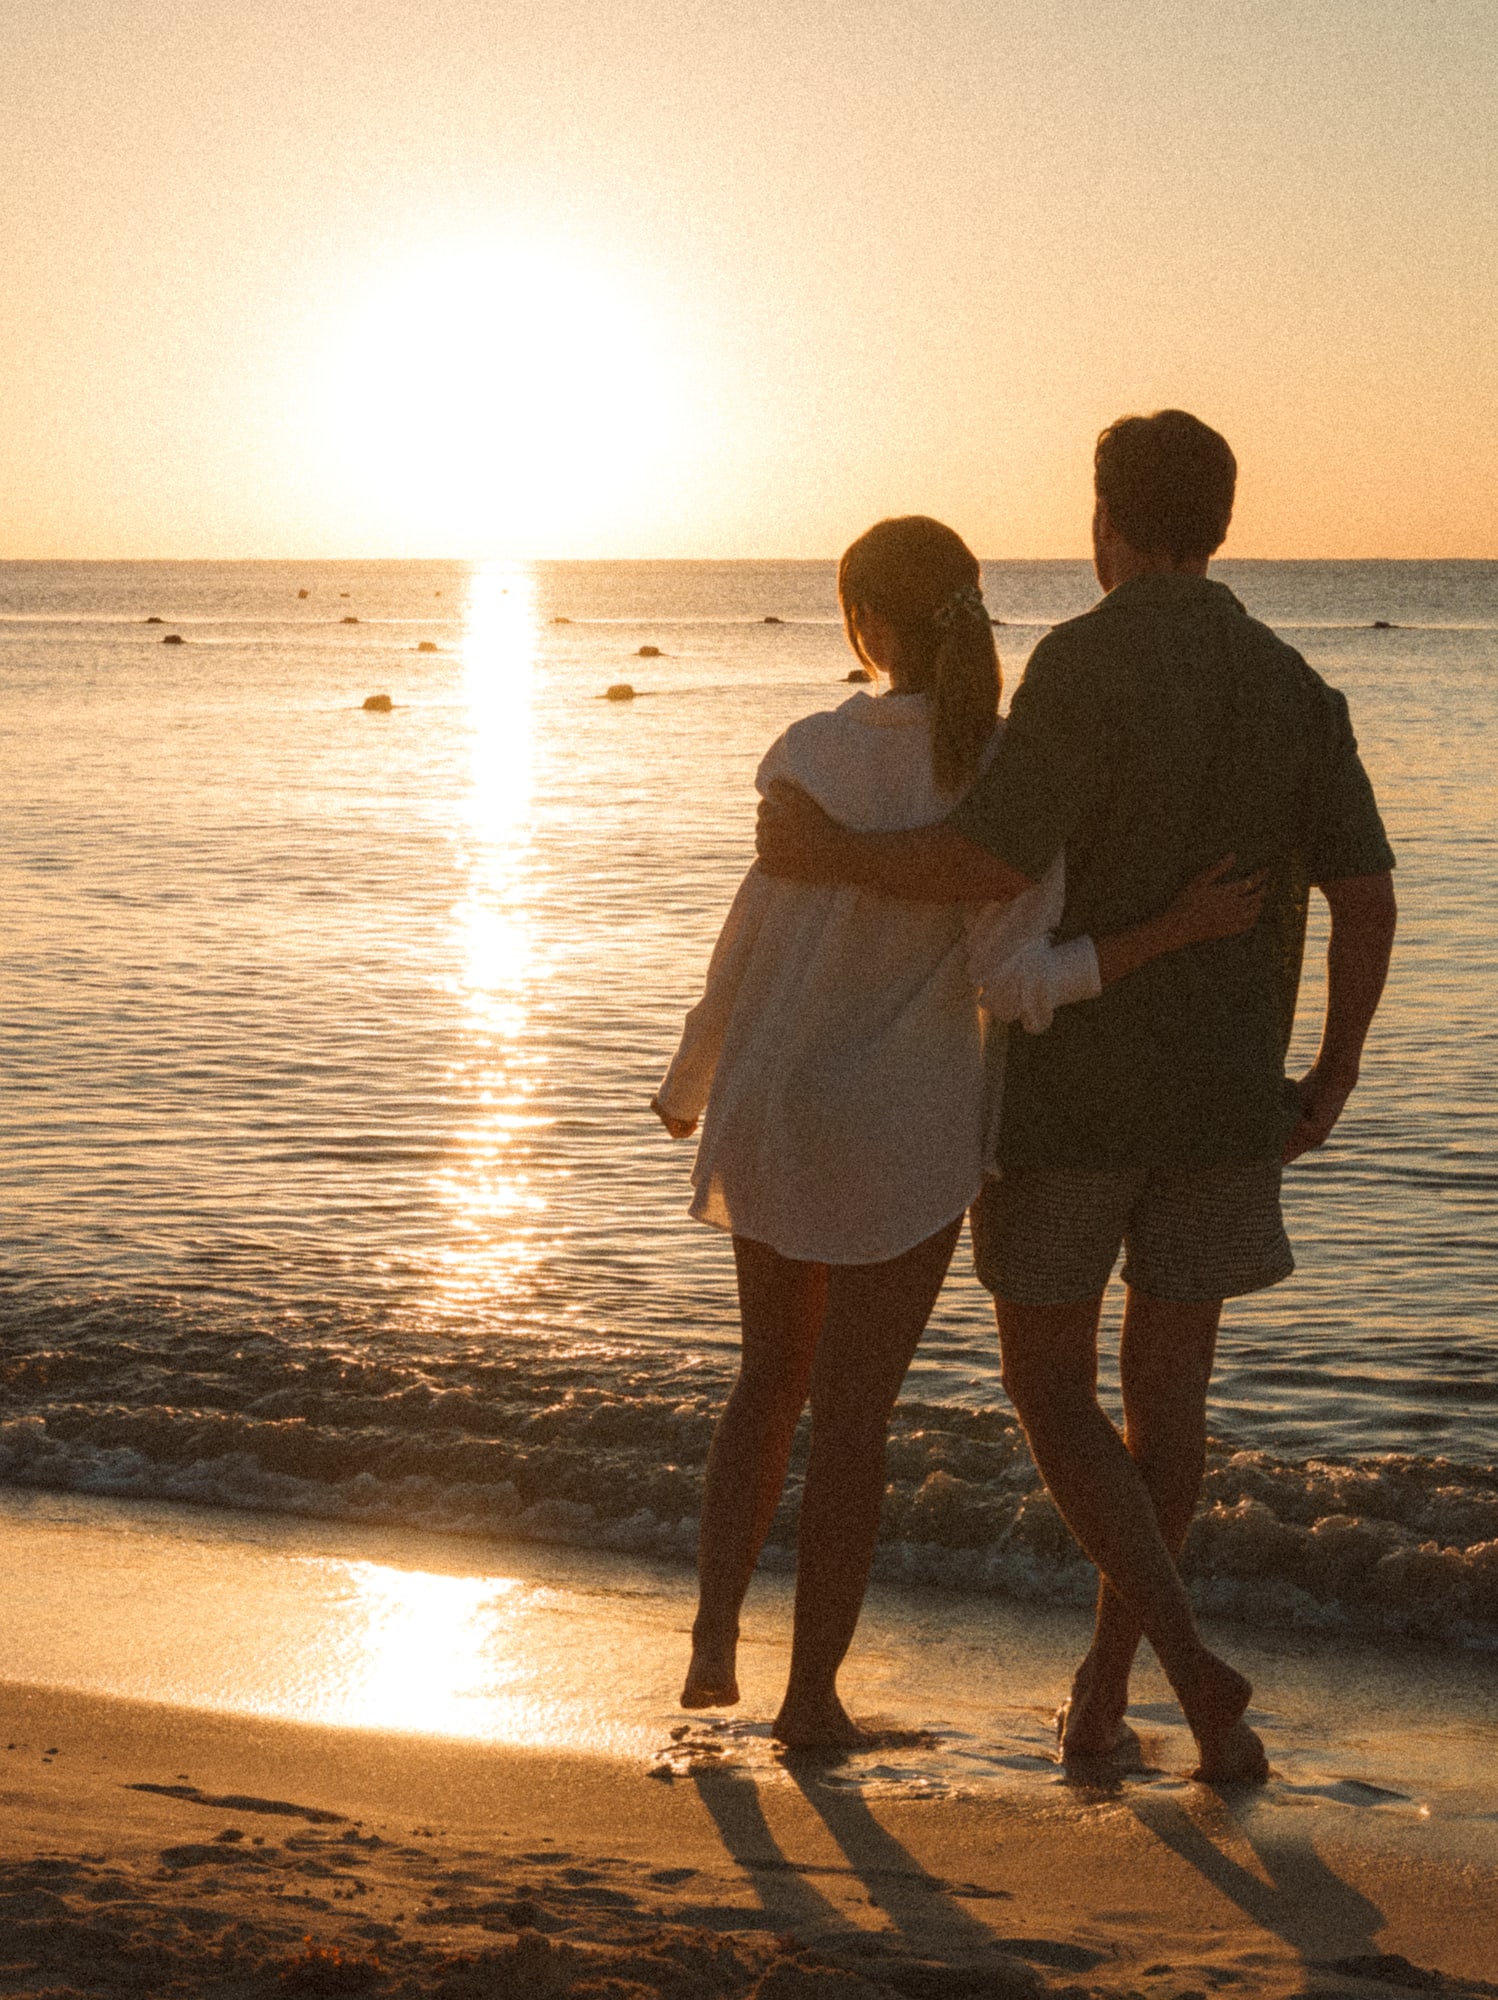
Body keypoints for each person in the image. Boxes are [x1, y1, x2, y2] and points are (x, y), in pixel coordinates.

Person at [756, 412, 1397, 1784]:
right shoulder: (1293, 685)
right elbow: (1365, 899)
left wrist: (821, 853)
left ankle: (1181, 1666)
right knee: (1168, 1410)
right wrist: (1331, 1073)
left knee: (1048, 1392)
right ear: (1218, 522)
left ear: (1106, 518)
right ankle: (1104, 1697)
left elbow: (985, 865)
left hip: (1072, 1108)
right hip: (1230, 1107)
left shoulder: (1080, 664)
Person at [653, 514, 1265, 1750]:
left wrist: (689, 1078)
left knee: (764, 1380)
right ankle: (809, 1692)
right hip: (901, 1132)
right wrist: (1173, 931)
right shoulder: (1000, 777)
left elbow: (746, 942)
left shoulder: (808, 752)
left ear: (864, 623)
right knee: (854, 1412)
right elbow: (1014, 981)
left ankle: (714, 1637)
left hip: (771, 1106)